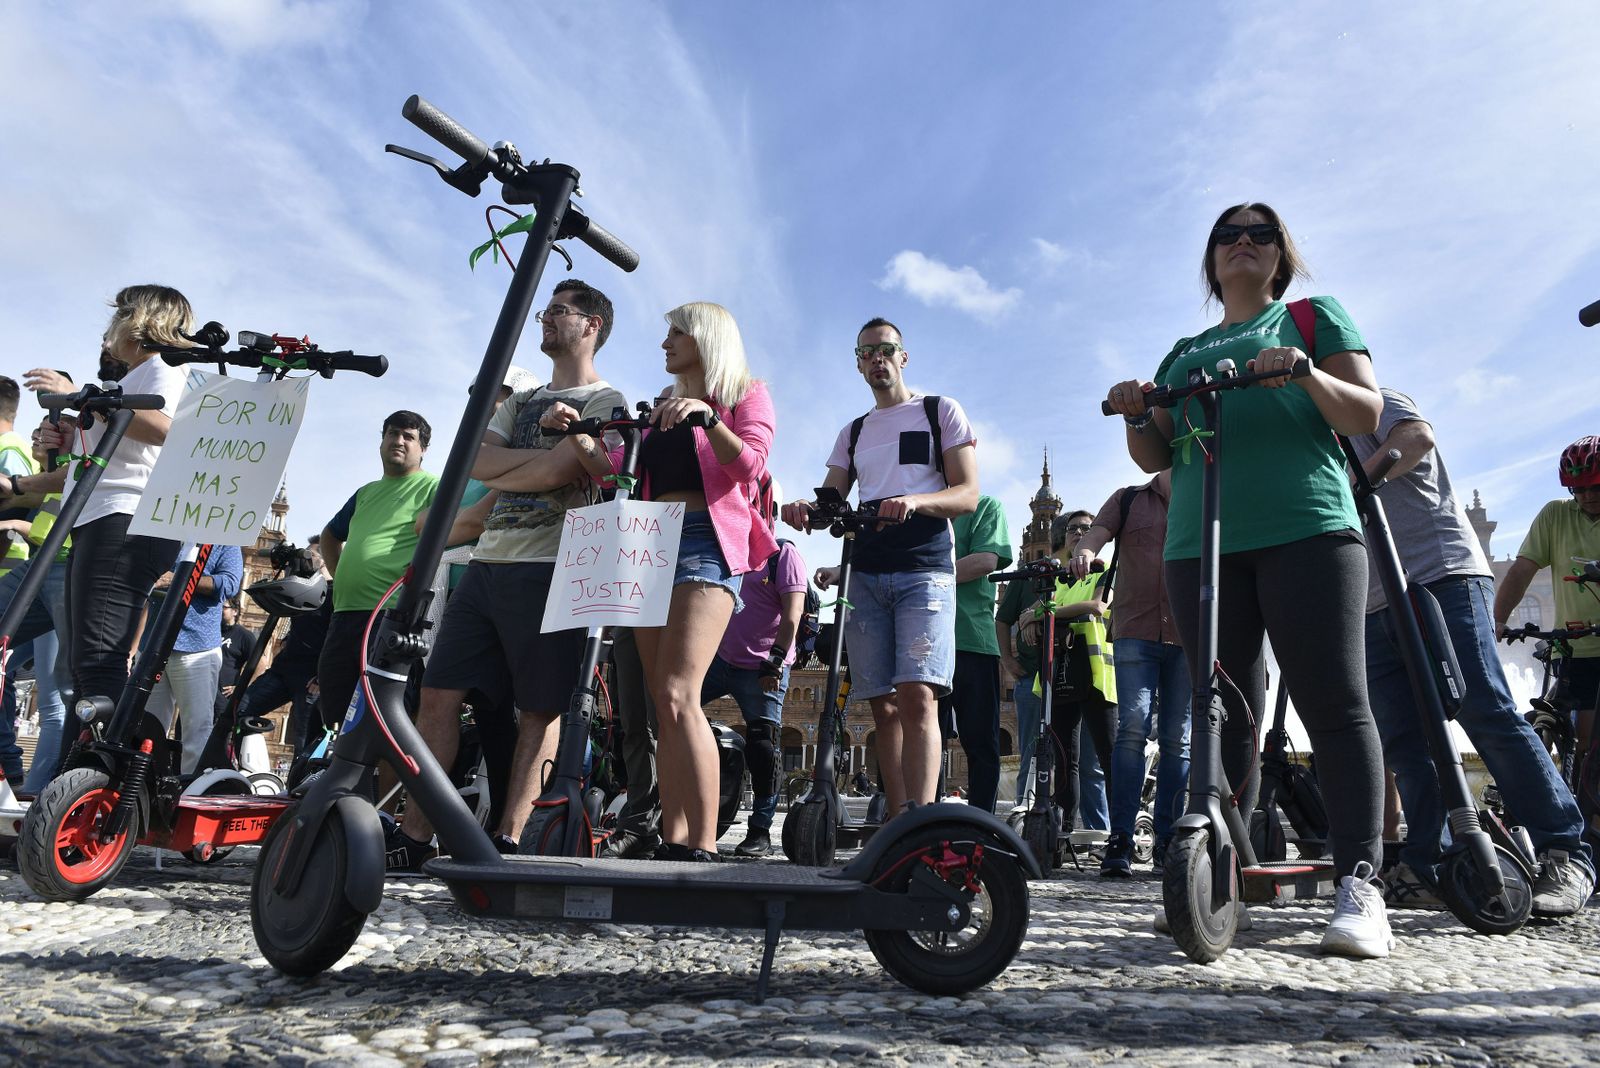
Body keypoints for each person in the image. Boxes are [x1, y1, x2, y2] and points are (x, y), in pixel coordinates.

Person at [1105, 202, 1390, 957]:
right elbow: (1154, 456)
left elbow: (1365, 412)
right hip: (1200, 542)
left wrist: (1301, 373)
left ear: (1280, 255)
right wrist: (1137, 411)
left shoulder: (1309, 317)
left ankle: (1361, 883)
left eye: (1261, 234)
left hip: (1309, 527)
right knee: (1220, 708)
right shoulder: (1187, 349)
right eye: (1228, 234)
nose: (1243, 243)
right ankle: (1220, 876)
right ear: (1211, 258)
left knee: (1333, 700)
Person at [389, 281, 626, 868]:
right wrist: (541, 463)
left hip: (550, 568)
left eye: (560, 311)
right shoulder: (521, 400)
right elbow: (475, 460)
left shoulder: (606, 402)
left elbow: (565, 470)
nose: (546, 318)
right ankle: (418, 835)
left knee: (538, 709)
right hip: (488, 565)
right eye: (545, 309)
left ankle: (510, 836)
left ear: (592, 324)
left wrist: (536, 466)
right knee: (438, 697)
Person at [555, 300, 775, 861]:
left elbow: (749, 465)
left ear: (707, 338)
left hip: (706, 540)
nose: (665, 343)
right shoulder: (660, 409)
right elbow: (618, 475)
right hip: (649, 540)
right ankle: (674, 837)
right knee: (660, 699)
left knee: (680, 692)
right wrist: (580, 437)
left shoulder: (745, 394)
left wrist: (707, 416)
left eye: (676, 332)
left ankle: (701, 842)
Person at [782, 318, 978, 817]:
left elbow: (967, 493)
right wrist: (808, 508)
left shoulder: (939, 412)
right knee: (881, 706)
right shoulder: (854, 432)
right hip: (866, 573)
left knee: (918, 696)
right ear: (858, 362)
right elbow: (833, 497)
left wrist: (913, 501)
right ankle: (897, 822)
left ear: (903, 357)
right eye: (866, 353)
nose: (877, 359)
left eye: (886, 350)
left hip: (924, 568)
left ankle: (925, 820)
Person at [23, 287, 188, 724]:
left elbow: (161, 428)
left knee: (99, 658)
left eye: (119, 315)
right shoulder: (132, 377)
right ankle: (89, 770)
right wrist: (64, 441)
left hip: (125, 518)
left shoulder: (164, 368)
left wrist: (85, 397)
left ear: (139, 322)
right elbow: (108, 444)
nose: (108, 327)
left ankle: (110, 773)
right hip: (100, 518)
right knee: (87, 662)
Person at [1070, 471, 1190, 877]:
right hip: (1135, 627)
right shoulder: (1128, 498)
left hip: (1190, 631)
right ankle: (1119, 837)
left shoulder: (1209, 490)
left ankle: (1169, 842)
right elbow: (1097, 532)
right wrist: (1085, 552)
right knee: (1133, 728)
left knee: (1179, 738)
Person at [1493, 435, 1600, 867]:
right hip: (1572, 648)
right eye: (1581, 489)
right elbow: (1522, 570)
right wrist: (1497, 620)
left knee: (1594, 744)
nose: (1589, 496)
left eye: (1597, 487)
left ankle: (1590, 829)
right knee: (1558, 727)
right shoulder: (1556, 516)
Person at [317, 412, 438, 738]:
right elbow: (329, 534)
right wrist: (340, 575)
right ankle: (336, 779)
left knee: (385, 714)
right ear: (382, 440)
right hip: (345, 614)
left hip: (393, 615)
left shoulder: (434, 488)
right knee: (335, 704)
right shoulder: (365, 492)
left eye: (409, 436)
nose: (399, 441)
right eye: (393, 433)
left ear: (422, 448)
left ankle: (376, 787)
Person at [701, 520, 809, 856]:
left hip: (763, 666)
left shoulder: (783, 554)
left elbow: (793, 613)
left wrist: (775, 660)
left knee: (762, 744)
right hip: (718, 659)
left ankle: (760, 830)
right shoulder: (725, 546)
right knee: (670, 711)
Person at [1021, 513, 1117, 838]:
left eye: (1087, 529)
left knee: (1109, 756)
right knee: (1064, 760)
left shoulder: (1105, 569)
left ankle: (1120, 833)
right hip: (1060, 673)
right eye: (1073, 528)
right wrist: (1032, 619)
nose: (1079, 533)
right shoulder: (1059, 581)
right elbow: (1032, 616)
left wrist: (1039, 614)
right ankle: (1062, 833)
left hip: (1094, 674)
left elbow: (1097, 606)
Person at [937, 493, 1011, 814]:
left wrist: (928, 575)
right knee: (927, 739)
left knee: (981, 743)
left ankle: (981, 823)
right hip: (928, 643)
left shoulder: (986, 506)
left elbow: (985, 561)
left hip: (972, 642)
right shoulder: (923, 513)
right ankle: (926, 817)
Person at [145, 543, 243, 775]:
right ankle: (143, 792)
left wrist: (179, 578)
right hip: (151, 641)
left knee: (196, 732)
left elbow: (229, 583)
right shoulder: (167, 524)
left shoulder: (225, 537)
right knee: (147, 728)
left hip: (196, 646)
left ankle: (188, 798)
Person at [215, 600, 257, 718]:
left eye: (224, 607)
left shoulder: (244, 636)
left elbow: (260, 664)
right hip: (201, 689)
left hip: (223, 697)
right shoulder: (212, 630)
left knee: (218, 732)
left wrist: (241, 686)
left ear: (235, 611)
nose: (220, 610)